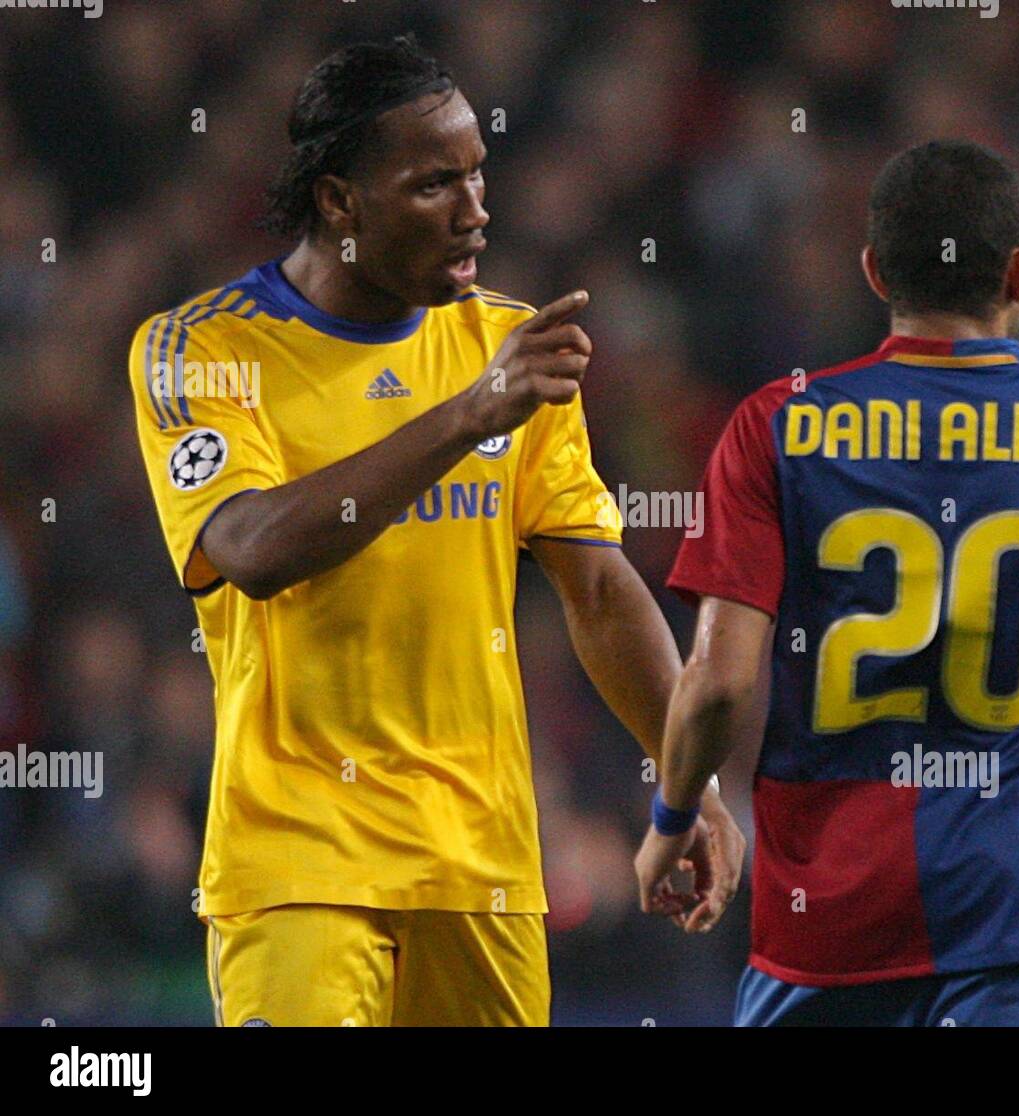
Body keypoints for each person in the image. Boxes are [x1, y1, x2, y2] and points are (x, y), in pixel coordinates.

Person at [128, 33, 743, 1027]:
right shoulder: (201, 348)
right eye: (432, 185)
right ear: (339, 202)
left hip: (484, 869)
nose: (474, 211)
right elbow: (245, 548)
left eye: (477, 176)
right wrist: (463, 418)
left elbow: (596, 587)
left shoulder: (507, 346)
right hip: (299, 859)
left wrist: (689, 786)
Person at [636, 139, 1019, 1027]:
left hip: (830, 931)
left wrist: (672, 816)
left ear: (875, 272)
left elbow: (721, 683)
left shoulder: (777, 426)